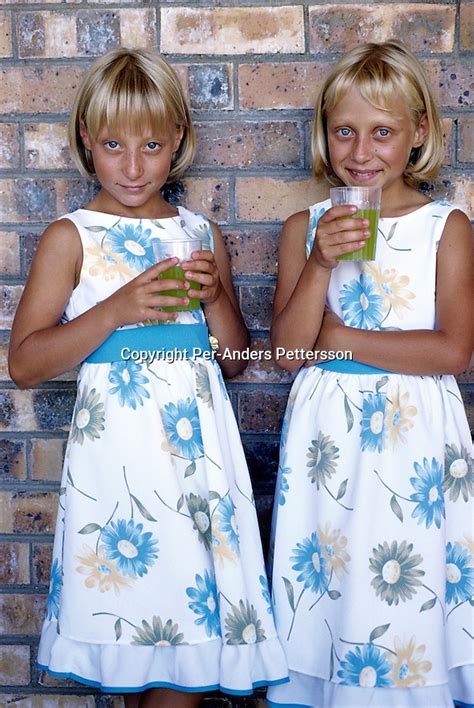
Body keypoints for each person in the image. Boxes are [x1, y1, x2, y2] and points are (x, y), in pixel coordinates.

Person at [8, 48, 288, 707]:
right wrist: (117, 309)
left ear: (179, 142)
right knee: (139, 662)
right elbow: (25, 364)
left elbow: (236, 361)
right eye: (113, 145)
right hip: (120, 483)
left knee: (185, 663)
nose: (133, 168)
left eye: (153, 146)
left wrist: (217, 296)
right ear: (86, 139)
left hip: (198, 479)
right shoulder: (70, 237)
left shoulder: (199, 233)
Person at [267, 40, 473, 708]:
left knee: (404, 587)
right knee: (334, 585)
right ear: (325, 135)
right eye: (345, 131)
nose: (361, 151)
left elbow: (451, 352)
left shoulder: (448, 227)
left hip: (416, 445)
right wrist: (321, 262)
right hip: (328, 446)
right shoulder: (306, 225)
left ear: (418, 134)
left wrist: (343, 337)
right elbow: (289, 354)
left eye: (383, 132)